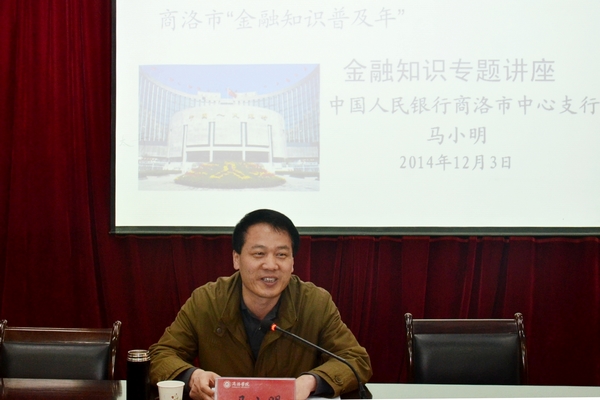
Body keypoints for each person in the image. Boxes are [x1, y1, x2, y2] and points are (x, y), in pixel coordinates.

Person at [149, 209, 372, 400]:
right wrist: (193, 377)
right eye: (259, 254)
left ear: (293, 262)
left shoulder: (315, 303)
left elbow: (356, 360)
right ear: (236, 259)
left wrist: (311, 382)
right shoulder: (206, 301)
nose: (271, 265)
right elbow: (161, 355)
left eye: (281, 254)